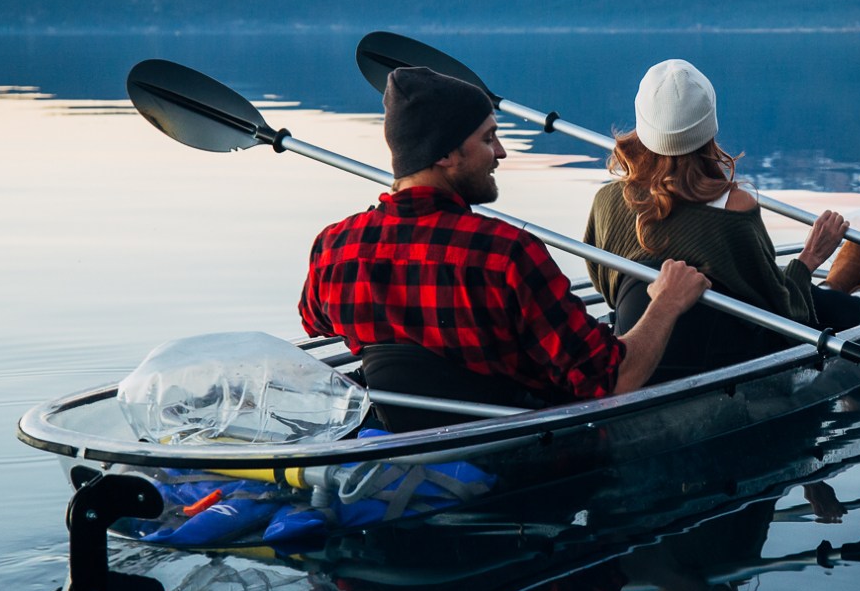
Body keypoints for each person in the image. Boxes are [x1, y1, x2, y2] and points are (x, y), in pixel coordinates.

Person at [299, 65, 708, 429]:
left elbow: (314, 321)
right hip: (519, 458)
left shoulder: (334, 247)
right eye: (488, 138)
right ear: (444, 154)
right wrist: (666, 303)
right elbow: (613, 382)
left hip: (402, 444)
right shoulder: (507, 254)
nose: (501, 152)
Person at [583, 59, 860, 374]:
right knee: (783, 284)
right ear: (709, 127)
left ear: (642, 126)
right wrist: (810, 257)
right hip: (725, 357)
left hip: (637, 346)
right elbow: (782, 310)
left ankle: (835, 289)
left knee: (760, 280)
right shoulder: (734, 207)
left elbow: (606, 283)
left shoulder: (606, 201)